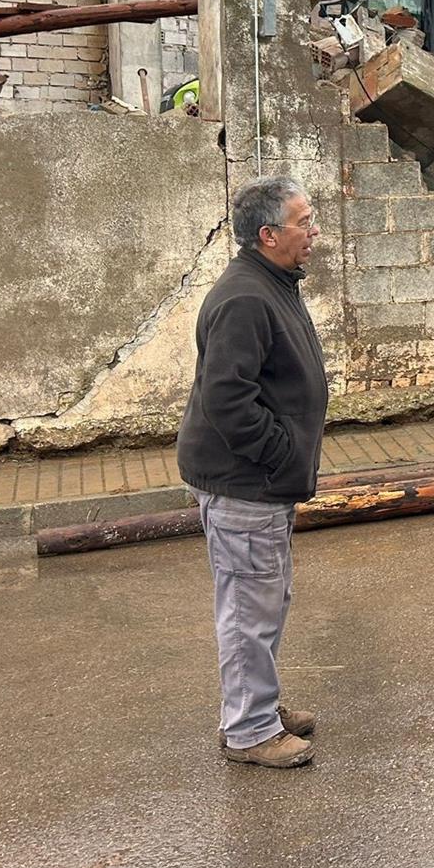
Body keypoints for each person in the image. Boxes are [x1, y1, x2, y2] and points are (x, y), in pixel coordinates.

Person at [177, 175, 329, 769]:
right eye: (303, 222)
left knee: (265, 598)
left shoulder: (271, 281)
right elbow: (227, 399)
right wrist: (279, 452)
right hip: (247, 483)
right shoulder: (246, 296)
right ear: (268, 235)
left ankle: (257, 705)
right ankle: (248, 729)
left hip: (261, 482)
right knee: (248, 606)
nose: (313, 232)